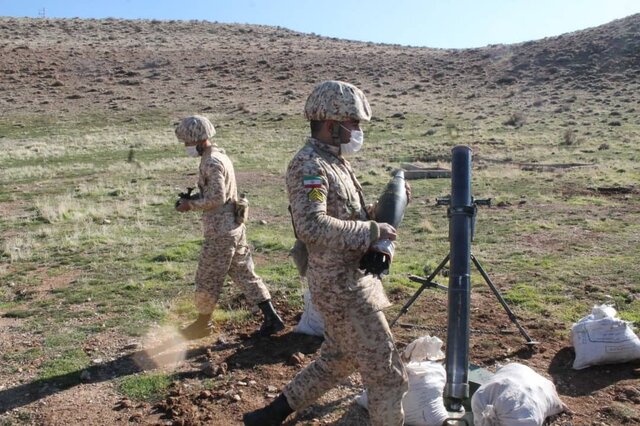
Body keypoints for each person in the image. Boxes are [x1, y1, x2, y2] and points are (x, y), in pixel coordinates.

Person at [243, 81, 409, 426]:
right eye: (355, 124)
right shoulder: (309, 166)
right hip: (343, 290)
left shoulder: (334, 162)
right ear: (334, 125)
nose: (359, 131)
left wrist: (385, 207)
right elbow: (312, 227)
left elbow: (345, 216)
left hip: (351, 283)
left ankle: (271, 415)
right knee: (389, 377)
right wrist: (372, 231)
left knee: (336, 360)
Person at [174, 115, 285, 340]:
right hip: (233, 227)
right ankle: (272, 318)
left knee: (207, 277)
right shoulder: (218, 156)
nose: (185, 147)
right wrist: (195, 197)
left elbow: (217, 198)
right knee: (244, 273)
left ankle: (202, 325)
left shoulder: (212, 162)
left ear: (198, 140)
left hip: (221, 231)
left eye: (187, 142)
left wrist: (190, 205)